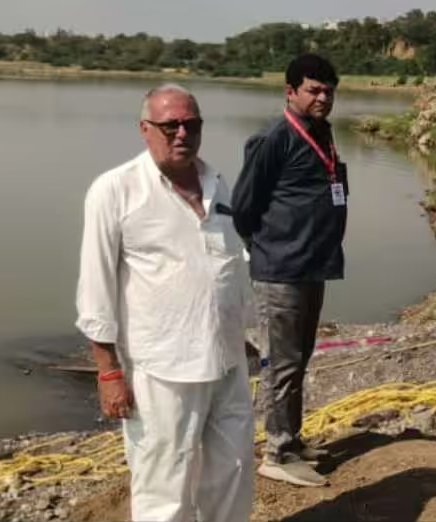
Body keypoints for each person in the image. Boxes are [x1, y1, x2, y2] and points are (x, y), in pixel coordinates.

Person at [75, 84, 255, 522]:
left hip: (228, 361)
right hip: (161, 370)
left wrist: (248, 335)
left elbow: (228, 266)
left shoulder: (217, 183)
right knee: (164, 486)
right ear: (145, 129)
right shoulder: (115, 190)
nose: (181, 134)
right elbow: (94, 289)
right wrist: (109, 371)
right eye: (169, 125)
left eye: (190, 125)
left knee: (232, 471)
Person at [231, 53, 346, 487]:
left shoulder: (323, 133)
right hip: (280, 269)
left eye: (328, 91)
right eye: (314, 90)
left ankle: (292, 439)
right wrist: (265, 249)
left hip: (313, 266)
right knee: (280, 362)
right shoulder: (274, 138)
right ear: (291, 92)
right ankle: (277, 452)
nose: (323, 98)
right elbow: (244, 207)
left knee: (299, 359)